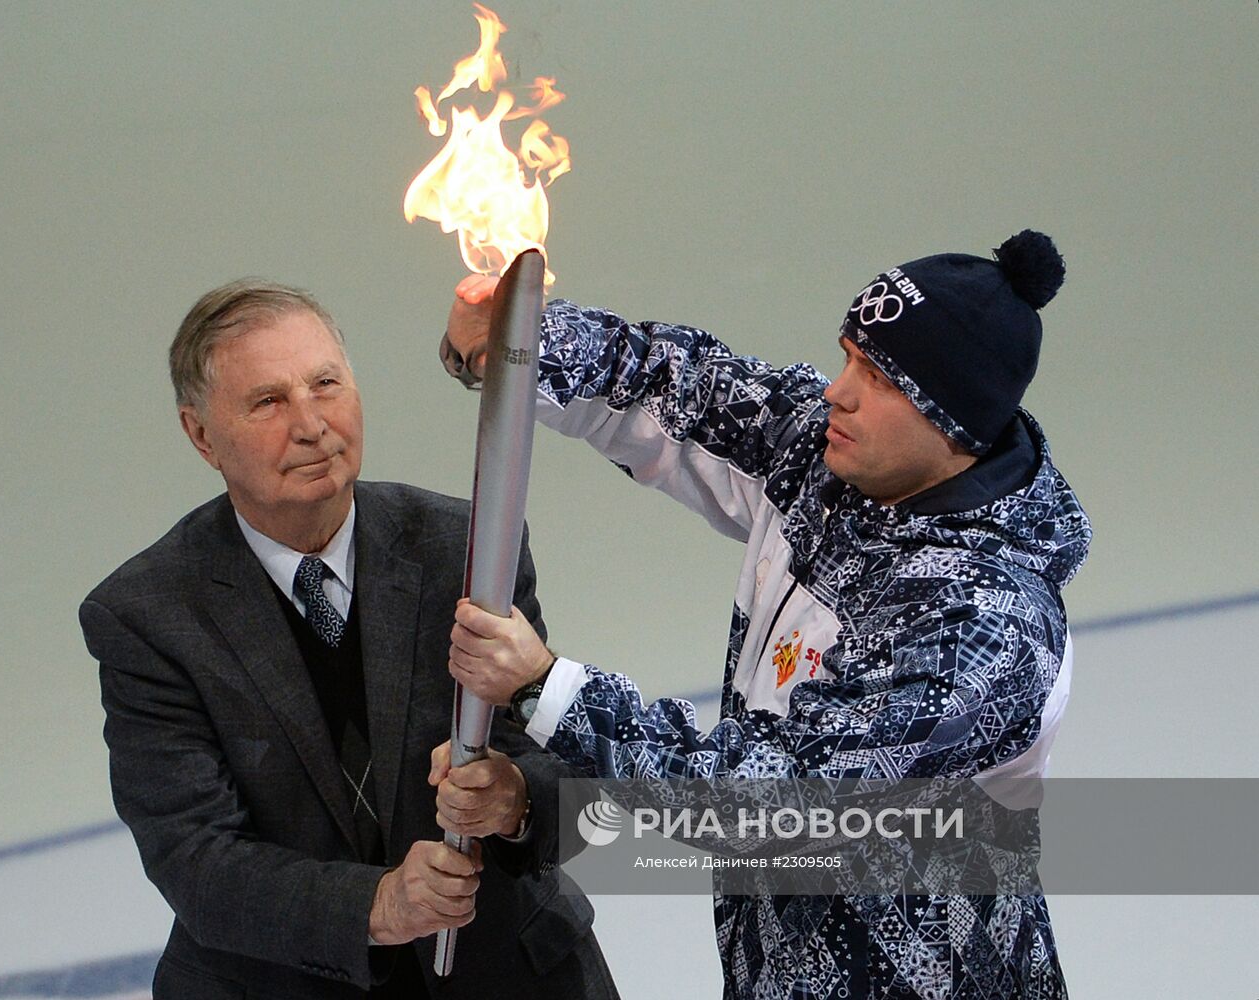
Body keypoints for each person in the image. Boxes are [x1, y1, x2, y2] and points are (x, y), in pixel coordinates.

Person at [440, 232, 1090, 999]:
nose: (836, 392)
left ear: (954, 422)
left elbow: (769, 809)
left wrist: (547, 690)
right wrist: (516, 342)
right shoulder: (830, 454)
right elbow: (674, 386)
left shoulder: (979, 628)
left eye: (878, 377)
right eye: (848, 356)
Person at [79, 279, 618, 999]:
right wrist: (379, 905)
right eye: (268, 401)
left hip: (512, 972)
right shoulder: (144, 615)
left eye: (325, 384)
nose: (311, 424)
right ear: (201, 434)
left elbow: (565, 785)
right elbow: (195, 857)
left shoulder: (464, 547)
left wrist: (513, 800)